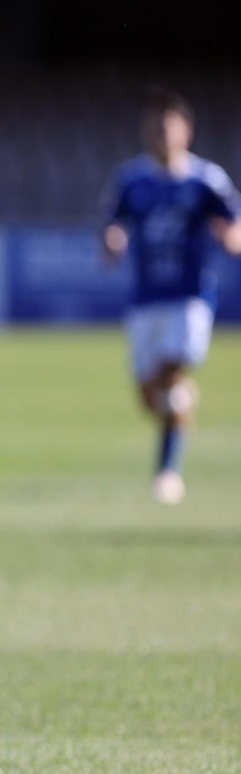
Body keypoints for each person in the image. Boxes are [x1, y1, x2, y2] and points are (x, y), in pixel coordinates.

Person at [102, 86, 241, 505]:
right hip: (145, 300)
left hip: (189, 297)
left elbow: (233, 220)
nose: (161, 135)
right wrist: (111, 241)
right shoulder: (131, 179)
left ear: (186, 131)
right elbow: (113, 223)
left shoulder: (205, 179)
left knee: (170, 375)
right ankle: (179, 409)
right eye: (155, 128)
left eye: (168, 127)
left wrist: (231, 237)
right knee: (154, 399)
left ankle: (166, 472)